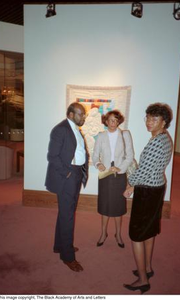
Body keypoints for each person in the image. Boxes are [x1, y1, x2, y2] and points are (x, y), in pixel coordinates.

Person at [123, 103, 173, 294]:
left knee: (136, 234)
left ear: (164, 122)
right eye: (148, 118)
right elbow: (151, 168)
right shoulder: (164, 138)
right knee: (149, 230)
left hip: (147, 192)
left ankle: (143, 280)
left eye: (155, 119)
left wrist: (129, 185)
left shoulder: (156, 142)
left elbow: (142, 172)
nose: (149, 122)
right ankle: (148, 268)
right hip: (157, 187)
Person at [45, 102, 89, 272]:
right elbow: (52, 156)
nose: (83, 117)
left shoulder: (74, 128)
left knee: (65, 213)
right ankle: (68, 256)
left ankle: (59, 246)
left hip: (76, 174)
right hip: (68, 177)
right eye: (80, 114)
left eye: (83, 114)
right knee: (68, 216)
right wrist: (67, 173)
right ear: (71, 114)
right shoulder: (61, 129)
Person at [92, 110, 134, 248]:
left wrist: (120, 168)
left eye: (116, 120)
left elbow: (130, 156)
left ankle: (118, 234)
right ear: (106, 121)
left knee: (118, 207)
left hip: (119, 176)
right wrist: (98, 164)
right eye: (110, 120)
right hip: (105, 176)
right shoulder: (101, 136)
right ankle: (103, 233)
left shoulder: (124, 135)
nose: (113, 123)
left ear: (119, 122)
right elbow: (95, 155)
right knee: (105, 206)